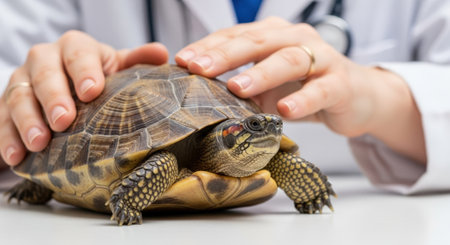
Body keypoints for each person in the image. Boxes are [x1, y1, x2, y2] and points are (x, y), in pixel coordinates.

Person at [0, 0, 449, 195]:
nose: (270, 129)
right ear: (234, 132)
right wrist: (22, 113)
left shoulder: (261, 152)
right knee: (164, 158)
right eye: (256, 127)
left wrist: (383, 98)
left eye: (263, 128)